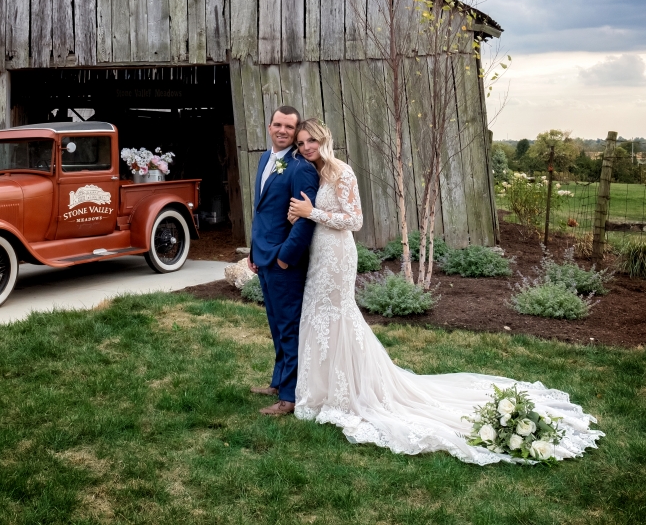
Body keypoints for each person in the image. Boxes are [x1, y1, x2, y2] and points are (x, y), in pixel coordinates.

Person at [286, 119, 604, 463]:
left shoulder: (341, 171)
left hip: (338, 254)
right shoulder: (314, 174)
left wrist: (312, 211)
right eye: (302, 143)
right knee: (318, 316)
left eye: (311, 140)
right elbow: (319, 214)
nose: (306, 147)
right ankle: (324, 389)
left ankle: (351, 391)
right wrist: (301, 216)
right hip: (320, 251)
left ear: (325, 138)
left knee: (339, 316)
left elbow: (355, 220)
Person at [247, 106, 322, 416]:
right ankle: (279, 381)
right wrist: (254, 251)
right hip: (262, 256)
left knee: (290, 328)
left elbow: (306, 219)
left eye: (289, 127)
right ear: (269, 126)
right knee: (276, 324)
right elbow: (263, 211)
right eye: (277, 124)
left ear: (295, 132)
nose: (282, 130)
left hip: (284, 262)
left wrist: (284, 259)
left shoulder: (300, 167)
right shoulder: (266, 159)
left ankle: (290, 398)